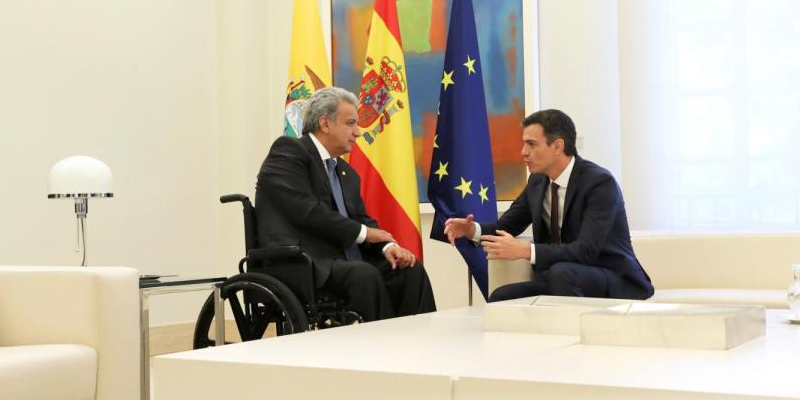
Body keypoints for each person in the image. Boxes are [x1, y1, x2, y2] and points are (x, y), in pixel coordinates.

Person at [255, 86, 436, 321]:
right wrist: (364, 233)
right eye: (350, 123)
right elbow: (308, 211)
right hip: (302, 261)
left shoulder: (345, 171)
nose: (358, 132)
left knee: (408, 270)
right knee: (364, 275)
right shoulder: (289, 152)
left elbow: (361, 219)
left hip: (342, 261)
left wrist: (387, 247)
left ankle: (419, 347)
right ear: (325, 124)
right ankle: (378, 350)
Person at [444, 109, 653, 302]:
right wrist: (472, 230)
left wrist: (526, 250)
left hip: (612, 277)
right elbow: (506, 226)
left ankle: (576, 341)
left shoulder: (599, 183)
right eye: (524, 144)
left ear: (557, 146)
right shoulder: (537, 182)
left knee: (562, 272)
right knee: (502, 297)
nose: (523, 152)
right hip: (560, 278)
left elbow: (585, 251)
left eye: (532, 144)